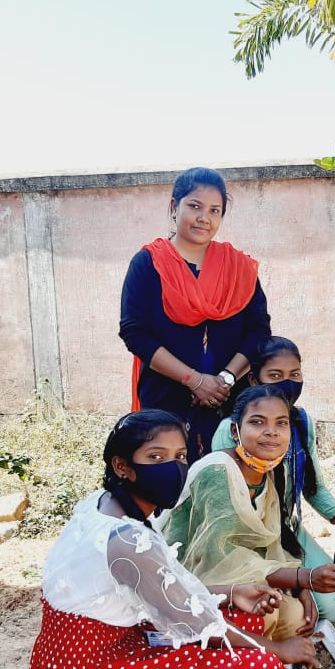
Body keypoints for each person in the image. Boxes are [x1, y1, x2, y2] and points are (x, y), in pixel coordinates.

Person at [0, 410, 316, 669]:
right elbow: (195, 623)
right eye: (156, 458)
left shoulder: (103, 506)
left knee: (244, 621)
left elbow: (163, 590)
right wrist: (275, 649)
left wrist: (230, 592)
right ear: (122, 466)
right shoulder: (125, 537)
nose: (174, 469)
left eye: (179, 457)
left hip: (66, 668)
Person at [164, 385, 335, 640]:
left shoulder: (272, 472)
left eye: (281, 423)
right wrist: (303, 578)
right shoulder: (218, 471)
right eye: (257, 422)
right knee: (265, 615)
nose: (271, 432)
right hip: (190, 580)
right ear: (235, 431)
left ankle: (259, 655)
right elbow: (219, 558)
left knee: (294, 616)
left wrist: (299, 586)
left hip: (245, 575)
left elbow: (271, 544)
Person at [119, 167, 271, 461]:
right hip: (166, 399)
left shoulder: (238, 267)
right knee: (171, 487)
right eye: (195, 206)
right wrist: (194, 380)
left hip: (229, 402)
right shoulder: (149, 263)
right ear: (175, 207)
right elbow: (134, 333)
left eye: (215, 210)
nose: (205, 218)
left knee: (226, 483)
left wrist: (225, 379)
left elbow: (258, 330)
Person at [211, 337, 335, 621]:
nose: (287, 384)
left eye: (295, 375)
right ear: (254, 379)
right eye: (275, 376)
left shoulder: (301, 422)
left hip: (288, 532)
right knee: (281, 610)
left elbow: (314, 489)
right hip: (245, 541)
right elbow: (229, 520)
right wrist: (295, 582)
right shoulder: (230, 431)